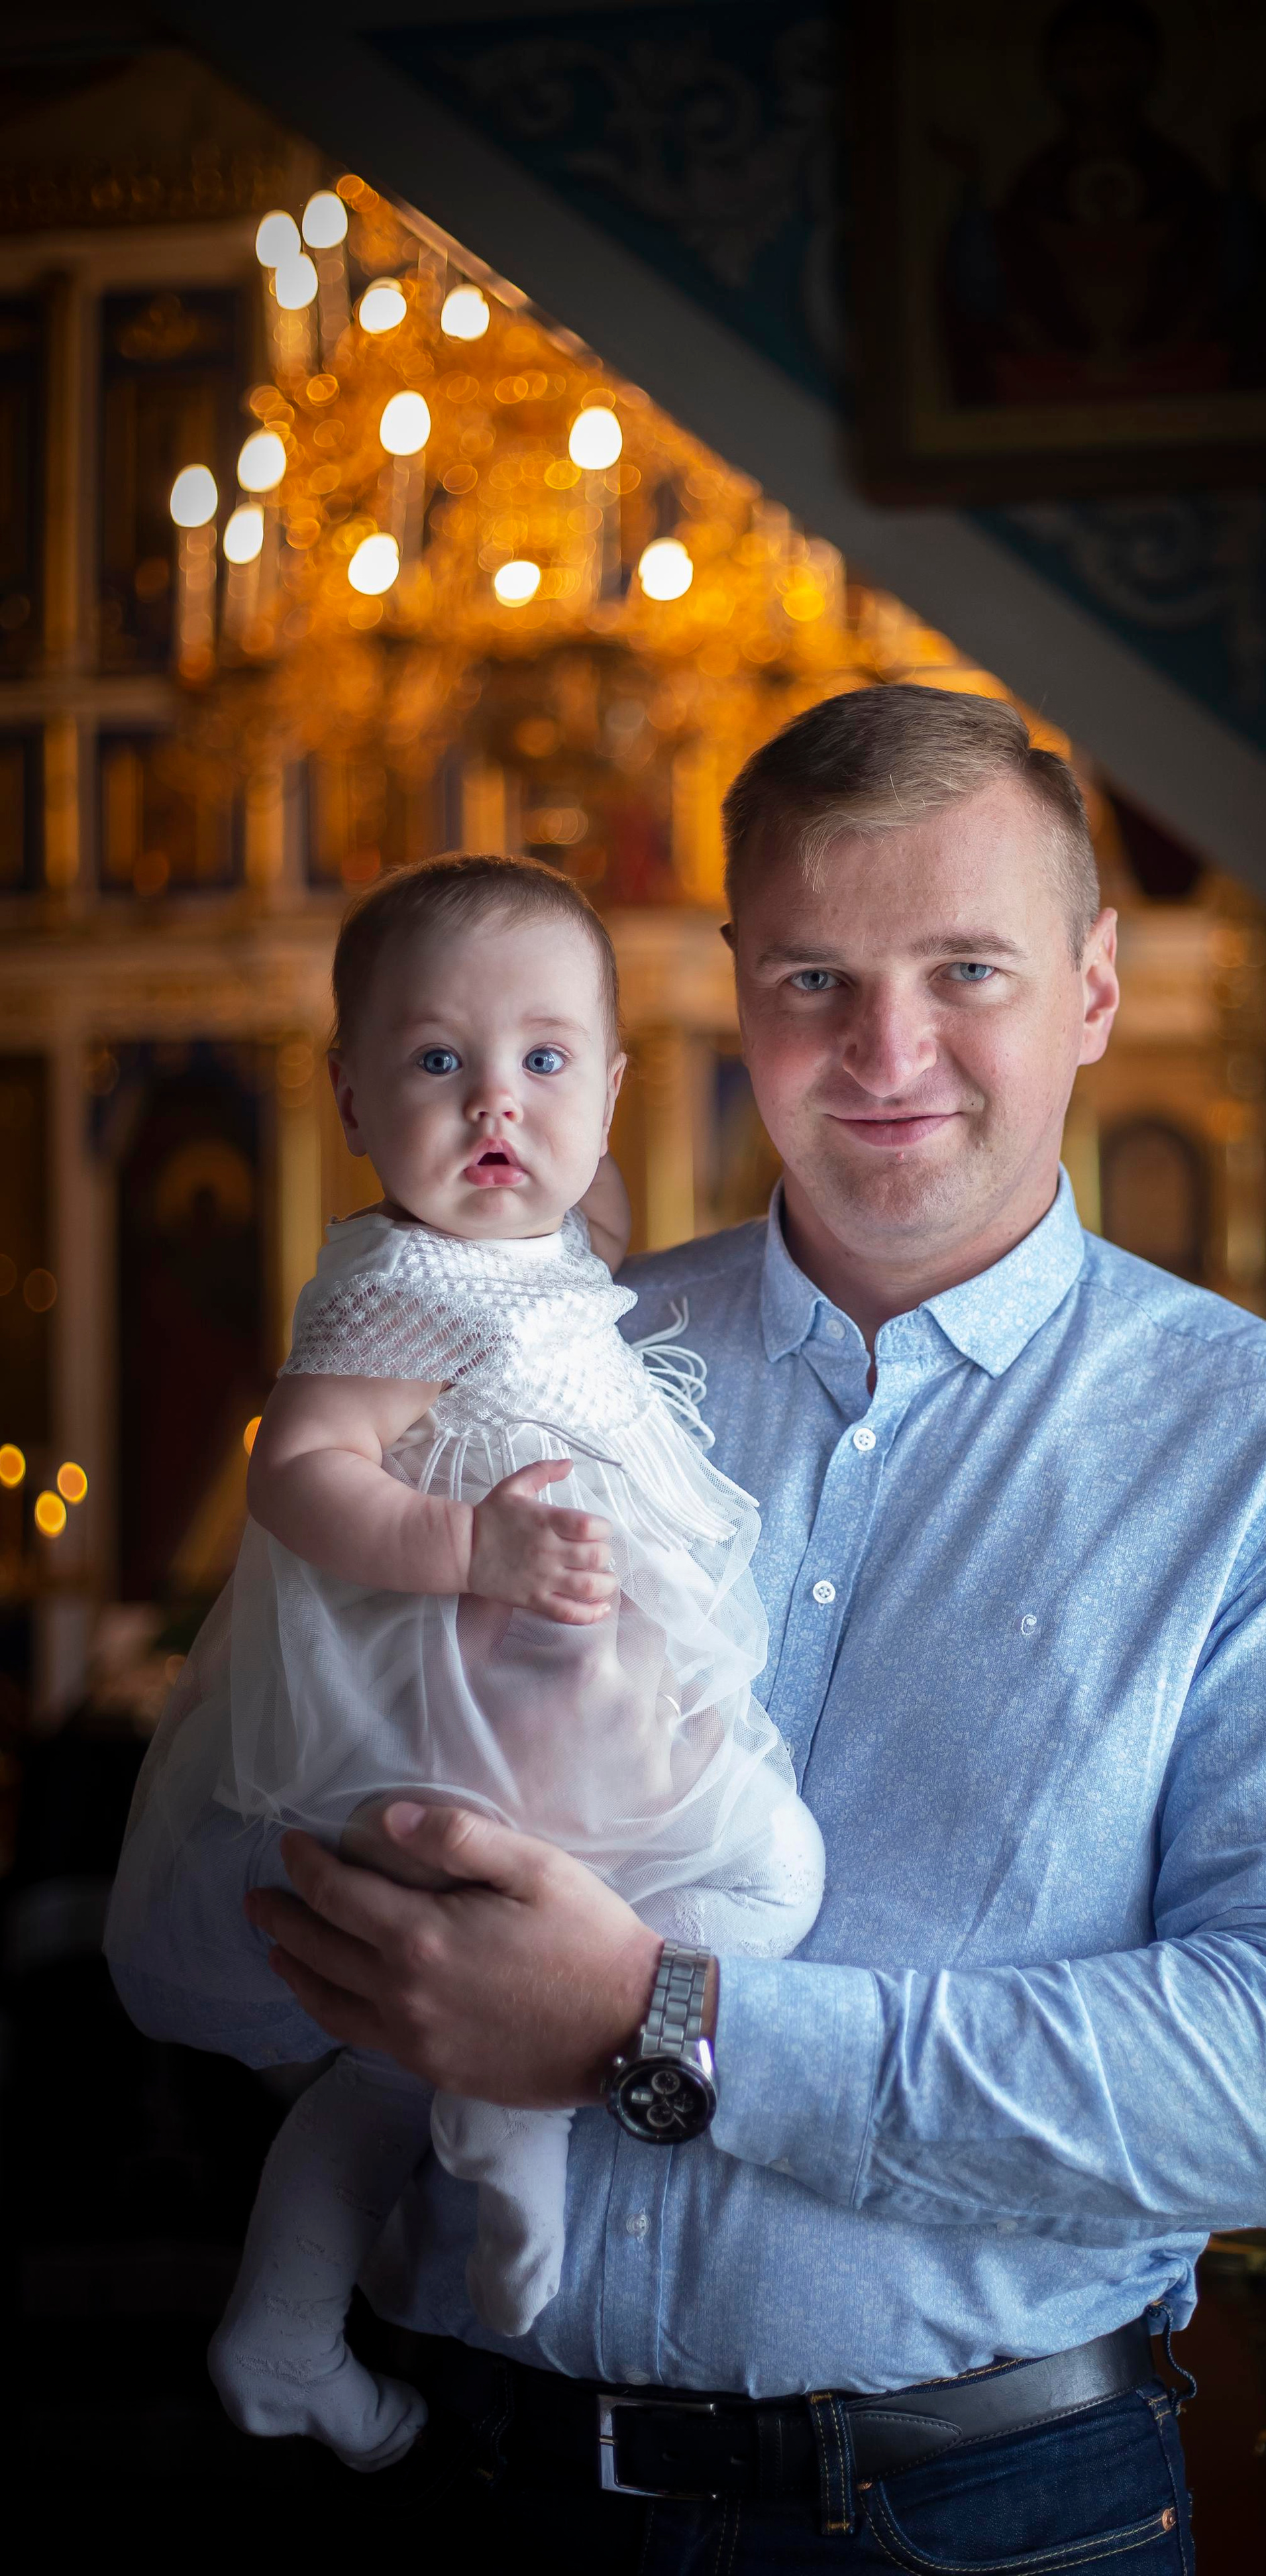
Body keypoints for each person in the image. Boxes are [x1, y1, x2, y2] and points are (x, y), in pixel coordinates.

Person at [109, 686, 1266, 2571]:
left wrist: (663, 2025)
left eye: (966, 967)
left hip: (979, 2519)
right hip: (463, 2482)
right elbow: (260, 1884)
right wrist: (349, 1909)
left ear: (1092, 986)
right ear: (734, 992)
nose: (889, 1050)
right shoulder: (515, 1367)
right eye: (816, 978)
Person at [108, 856, 822, 2473]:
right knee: (770, 1872)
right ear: (350, 1095)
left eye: (545, 1061)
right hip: (462, 1722)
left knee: (378, 2062)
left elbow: (574, 1241)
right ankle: (516, 2104)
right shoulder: (393, 1282)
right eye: (439, 1064)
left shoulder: (552, 1254)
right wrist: (469, 1551)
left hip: (527, 1715)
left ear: (615, 1089)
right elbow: (295, 1472)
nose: (496, 1102)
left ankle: (283, 2337)